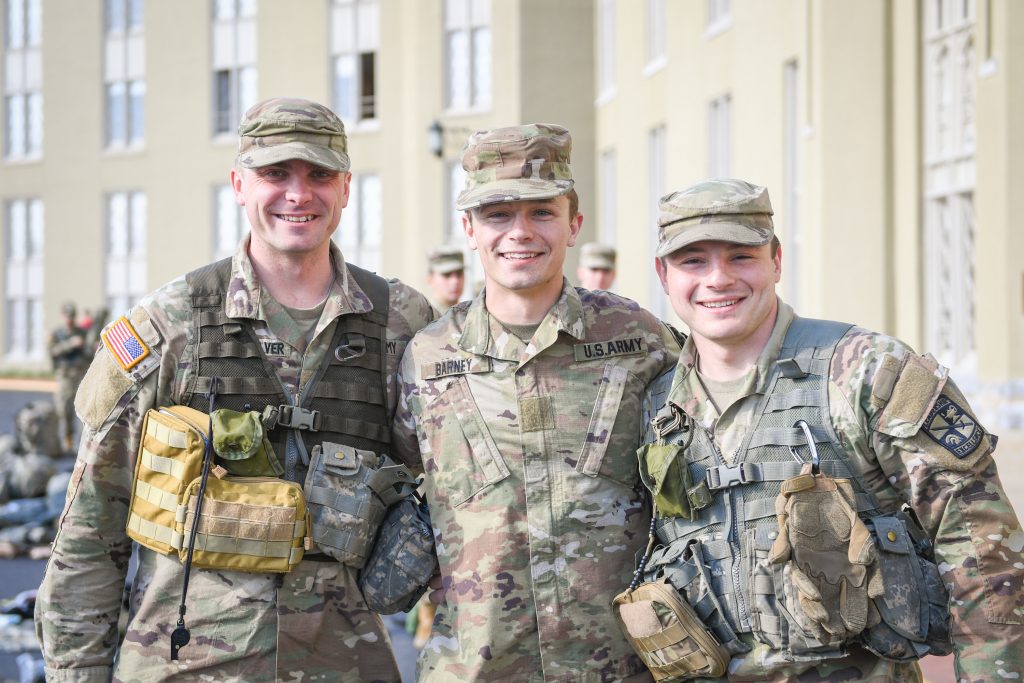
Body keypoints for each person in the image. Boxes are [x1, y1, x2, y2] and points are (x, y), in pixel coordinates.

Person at [35, 97, 434, 681]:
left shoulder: (401, 321)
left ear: (346, 188)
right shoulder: (169, 324)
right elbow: (92, 525)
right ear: (239, 185)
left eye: (319, 174)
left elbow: (456, 501)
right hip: (189, 664)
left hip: (344, 663)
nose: (299, 195)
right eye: (276, 174)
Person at [634, 178, 1023, 679]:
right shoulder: (656, 403)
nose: (718, 279)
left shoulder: (864, 371)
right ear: (663, 275)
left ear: (776, 260)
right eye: (693, 261)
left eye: (740, 257)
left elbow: (979, 542)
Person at [393, 123, 681, 681]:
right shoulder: (426, 357)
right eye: (498, 214)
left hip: (620, 665)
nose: (520, 233)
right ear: (469, 229)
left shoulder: (639, 339)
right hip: (476, 666)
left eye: (541, 212)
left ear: (573, 223)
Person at [47, 302, 89, 452]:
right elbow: (52, 352)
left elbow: (89, 353)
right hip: (65, 376)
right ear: (62, 316)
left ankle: (82, 442)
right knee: (64, 409)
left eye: (72, 316)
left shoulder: (82, 332)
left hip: (80, 374)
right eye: (67, 316)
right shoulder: (57, 334)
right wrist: (70, 344)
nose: (69, 319)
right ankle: (66, 439)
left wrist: (87, 345)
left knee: (82, 409)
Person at [425, 244, 466, 314]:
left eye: (459, 273)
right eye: (447, 275)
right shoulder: (424, 318)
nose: (455, 281)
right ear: (430, 280)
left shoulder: (470, 315)